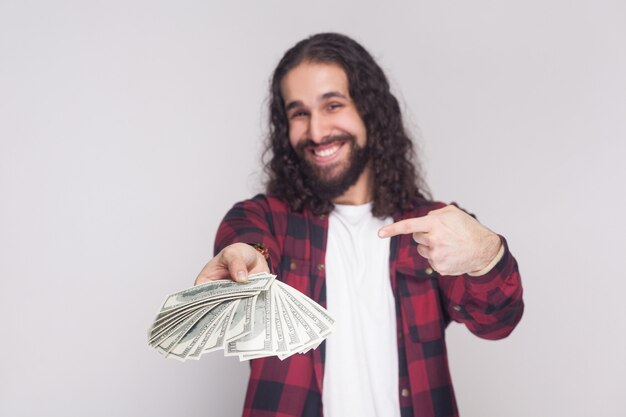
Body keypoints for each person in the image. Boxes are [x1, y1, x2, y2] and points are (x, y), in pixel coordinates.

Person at [195, 33, 524, 417]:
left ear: (370, 111)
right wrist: (248, 258)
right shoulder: (266, 218)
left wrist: (486, 254)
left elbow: (498, 322)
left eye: (333, 105)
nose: (316, 132)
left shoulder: (434, 225)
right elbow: (247, 242)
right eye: (299, 113)